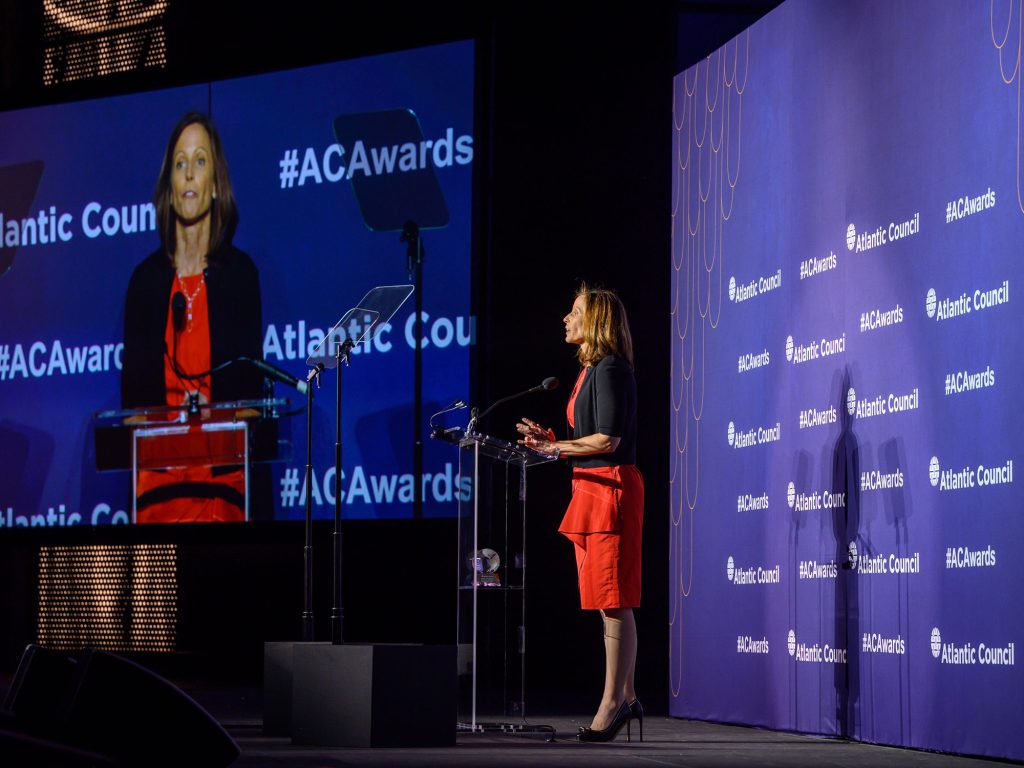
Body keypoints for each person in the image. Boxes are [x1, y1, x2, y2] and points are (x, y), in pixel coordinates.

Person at [516, 284, 644, 743]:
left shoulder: (610, 368)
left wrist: (555, 446)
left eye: (574, 312)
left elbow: (607, 441)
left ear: (596, 322)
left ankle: (611, 705)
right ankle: (626, 696)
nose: (565, 320)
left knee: (614, 598)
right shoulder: (590, 370)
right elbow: (587, 438)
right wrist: (549, 439)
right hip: (589, 488)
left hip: (611, 490)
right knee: (604, 600)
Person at [121, 112, 263, 523]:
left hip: (222, 488)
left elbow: (252, 404)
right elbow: (129, 410)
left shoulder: (239, 277)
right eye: (180, 164)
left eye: (200, 162)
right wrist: (170, 422)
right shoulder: (145, 283)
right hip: (157, 488)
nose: (188, 174)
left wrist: (213, 415)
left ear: (216, 186)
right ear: (169, 186)